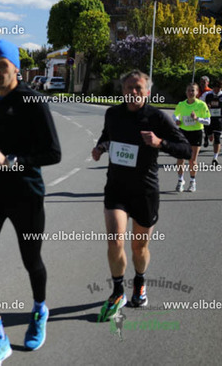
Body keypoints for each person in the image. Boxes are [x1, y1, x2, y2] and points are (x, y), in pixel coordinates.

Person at [0, 40, 61, 365]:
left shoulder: (33, 101)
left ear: (16, 69)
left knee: (31, 260)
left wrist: (10, 160)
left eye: (2, 66)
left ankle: (39, 309)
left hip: (26, 194)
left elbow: (53, 153)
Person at [92, 70, 190, 323]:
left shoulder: (157, 117)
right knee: (115, 240)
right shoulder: (113, 114)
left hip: (145, 191)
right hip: (116, 188)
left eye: (138, 88)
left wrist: (160, 143)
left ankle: (139, 281)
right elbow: (107, 136)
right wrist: (100, 147)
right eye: (128, 88)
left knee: (139, 246)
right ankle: (117, 291)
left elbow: (185, 149)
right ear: (123, 90)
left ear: (147, 92)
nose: (133, 92)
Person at [174, 83, 210, 192]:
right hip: (183, 132)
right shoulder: (181, 104)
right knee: (180, 158)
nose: (190, 93)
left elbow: (208, 121)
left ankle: (192, 181)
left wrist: (197, 118)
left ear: (197, 92)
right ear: (186, 92)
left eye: (193, 90)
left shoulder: (201, 105)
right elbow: (175, 115)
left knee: (192, 160)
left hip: (196, 133)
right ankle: (180, 180)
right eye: (189, 90)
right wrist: (177, 120)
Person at [203, 79, 222, 165]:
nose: (216, 90)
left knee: (217, 138)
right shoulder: (207, 95)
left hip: (219, 120)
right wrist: (206, 106)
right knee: (210, 136)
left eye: (218, 88)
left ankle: (215, 158)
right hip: (209, 119)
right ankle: (208, 136)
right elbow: (200, 103)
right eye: (215, 88)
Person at [198, 76, 212, 147]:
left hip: (207, 111)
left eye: (204, 82)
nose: (202, 83)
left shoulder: (209, 91)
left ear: (207, 83)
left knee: (206, 126)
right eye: (201, 82)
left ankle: (206, 137)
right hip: (198, 110)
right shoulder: (198, 90)